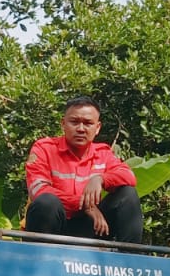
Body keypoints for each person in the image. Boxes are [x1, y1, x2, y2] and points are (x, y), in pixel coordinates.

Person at [24, 96, 144, 242]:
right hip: (54, 227)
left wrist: (101, 179)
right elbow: (38, 190)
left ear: (97, 127)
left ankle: (129, 261)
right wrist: (86, 206)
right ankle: (41, 260)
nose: (81, 129)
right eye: (74, 122)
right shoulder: (44, 148)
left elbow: (129, 176)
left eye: (88, 123)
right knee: (46, 202)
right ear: (63, 124)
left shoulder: (103, 153)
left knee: (128, 193)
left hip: (92, 228)